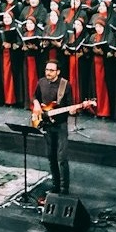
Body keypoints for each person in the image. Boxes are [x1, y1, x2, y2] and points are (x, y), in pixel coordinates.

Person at [32, 59, 79, 195]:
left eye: (51, 70)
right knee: (51, 157)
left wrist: (73, 111)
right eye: (47, 70)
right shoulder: (41, 82)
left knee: (62, 158)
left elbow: (71, 106)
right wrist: (36, 104)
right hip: (46, 125)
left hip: (60, 126)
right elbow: (35, 96)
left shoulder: (65, 85)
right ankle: (55, 185)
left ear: (58, 72)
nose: (48, 73)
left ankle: (64, 189)